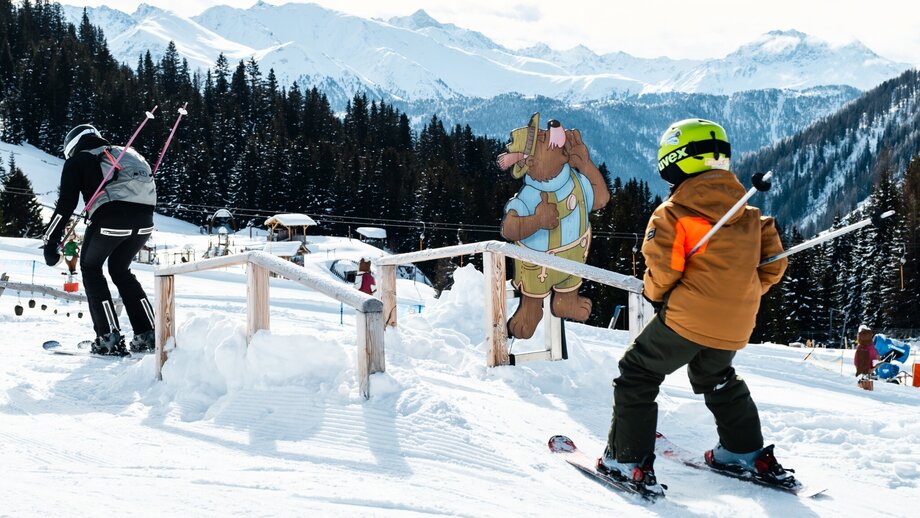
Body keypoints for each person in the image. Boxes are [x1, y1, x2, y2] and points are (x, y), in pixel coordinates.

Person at [598, 119, 793, 497]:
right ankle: (745, 451)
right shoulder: (752, 216)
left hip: (686, 319)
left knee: (636, 373)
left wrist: (656, 295)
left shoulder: (673, 214)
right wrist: (742, 293)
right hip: (736, 323)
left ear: (675, 162)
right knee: (715, 377)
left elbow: (664, 272)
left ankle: (628, 459)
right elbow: (774, 265)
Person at [42, 124, 157, 355]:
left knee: (91, 267)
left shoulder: (79, 159)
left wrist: (50, 242)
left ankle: (108, 338)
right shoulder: (124, 154)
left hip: (110, 219)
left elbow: (65, 206)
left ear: (72, 146)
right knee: (120, 270)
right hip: (145, 221)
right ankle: (149, 333)